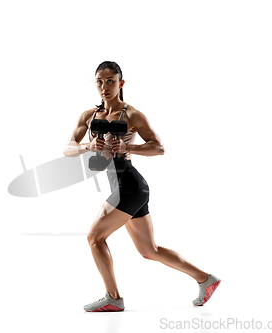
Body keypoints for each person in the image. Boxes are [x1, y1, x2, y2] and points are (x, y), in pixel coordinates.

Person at [63, 61, 221, 312]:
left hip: (129, 185)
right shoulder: (89, 116)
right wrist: (86, 146)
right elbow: (67, 148)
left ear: (121, 83)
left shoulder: (132, 114)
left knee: (95, 237)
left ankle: (113, 298)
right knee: (149, 250)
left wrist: (128, 147)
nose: (104, 87)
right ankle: (206, 279)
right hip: (123, 186)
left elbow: (158, 147)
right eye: (100, 82)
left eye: (110, 81)